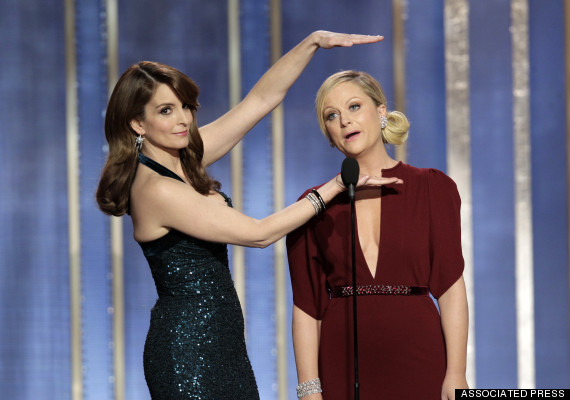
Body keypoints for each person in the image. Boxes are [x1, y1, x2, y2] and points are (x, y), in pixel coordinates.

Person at [95, 32, 395, 400]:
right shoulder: (157, 188)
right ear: (138, 124)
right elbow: (259, 233)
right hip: (189, 353)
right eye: (165, 110)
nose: (182, 120)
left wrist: (312, 44)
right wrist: (332, 188)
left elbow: (261, 100)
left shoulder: (183, 159)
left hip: (222, 344)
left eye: (185, 106)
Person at [286, 70, 469, 400]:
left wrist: (456, 373)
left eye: (354, 107)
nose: (344, 121)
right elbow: (306, 307)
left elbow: (451, 287)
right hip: (341, 364)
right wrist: (309, 390)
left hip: (419, 360)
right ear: (329, 135)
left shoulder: (432, 187)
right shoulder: (311, 206)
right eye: (332, 115)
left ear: (381, 112)